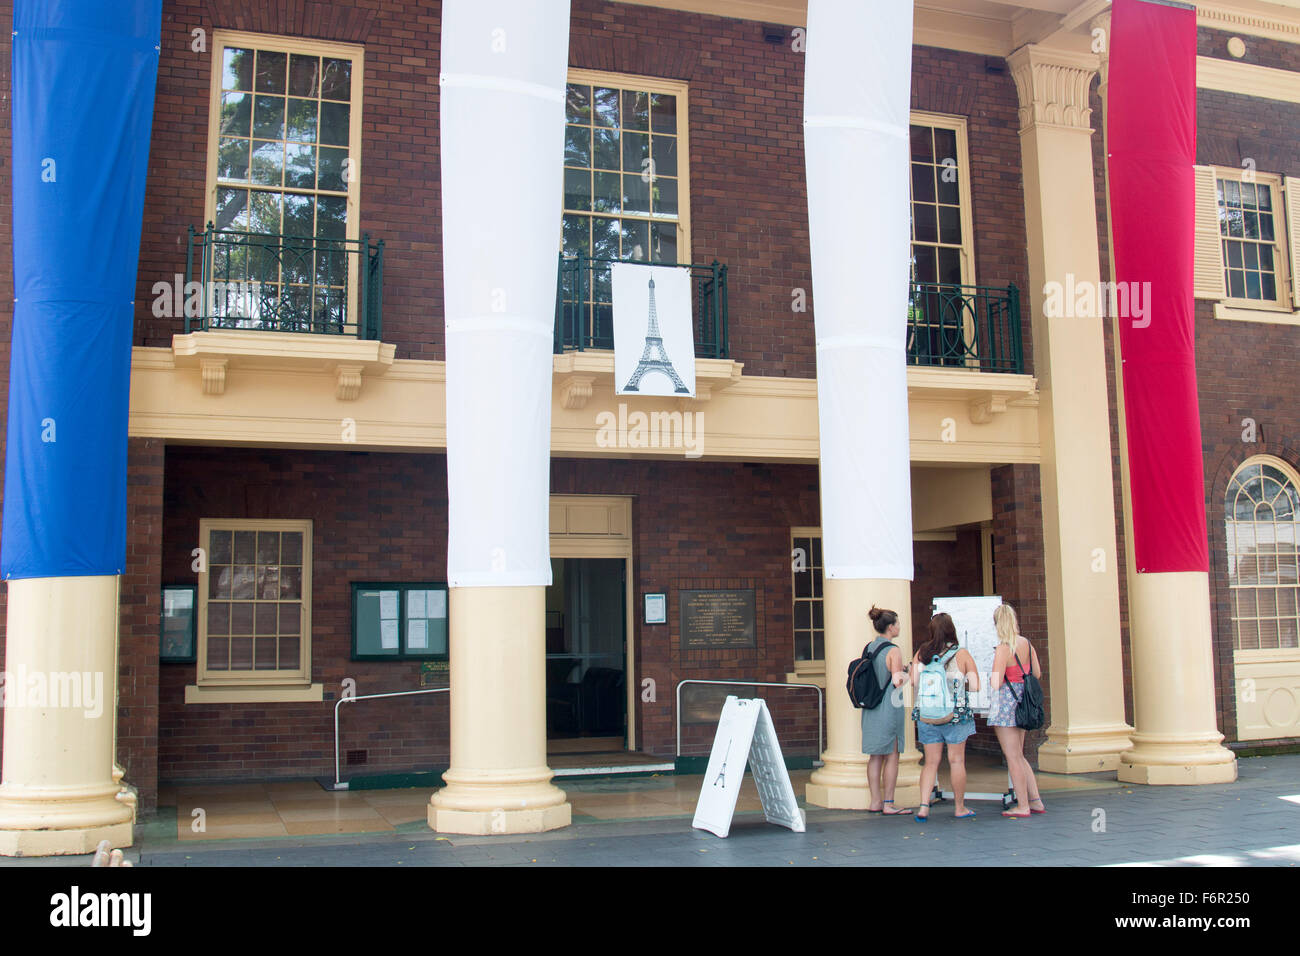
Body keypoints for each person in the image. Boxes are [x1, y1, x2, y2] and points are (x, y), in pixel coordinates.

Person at [910, 612, 980, 821]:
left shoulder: (921, 652)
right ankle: (959, 807)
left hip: (927, 713)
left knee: (930, 762)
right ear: (952, 630)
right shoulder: (962, 654)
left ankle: (923, 806)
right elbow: (976, 686)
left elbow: (913, 681)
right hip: (955, 715)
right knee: (956, 760)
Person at [988, 602, 1046, 819]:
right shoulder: (1027, 644)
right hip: (1024, 702)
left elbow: (995, 682)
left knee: (1012, 757)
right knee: (1020, 756)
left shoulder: (1004, 648)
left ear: (997, 624)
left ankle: (1023, 805)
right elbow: (1037, 673)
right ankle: (1036, 800)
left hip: (1007, 704)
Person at [860, 606, 911, 815]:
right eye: (897, 623)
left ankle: (875, 802)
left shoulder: (869, 647)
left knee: (875, 757)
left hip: (871, 707)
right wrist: (909, 672)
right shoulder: (893, 650)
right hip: (889, 707)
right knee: (892, 755)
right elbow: (898, 681)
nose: (899, 627)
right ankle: (889, 803)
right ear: (890, 627)